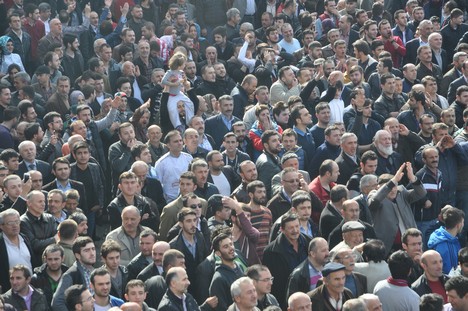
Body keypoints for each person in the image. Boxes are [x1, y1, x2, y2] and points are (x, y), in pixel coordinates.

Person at [368, 162, 426, 255]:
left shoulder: (402, 193)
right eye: (390, 187)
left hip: (409, 244)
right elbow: (374, 202)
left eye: (395, 186)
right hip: (389, 246)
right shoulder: (375, 196)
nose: (393, 189)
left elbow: (421, 193)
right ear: (380, 188)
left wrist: (413, 178)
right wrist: (392, 181)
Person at [263, 213, 310, 309]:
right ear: (282, 230)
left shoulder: (308, 243)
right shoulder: (271, 252)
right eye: (291, 228)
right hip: (285, 300)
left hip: (307, 298)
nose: (295, 230)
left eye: (297, 226)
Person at [52, 237, 96, 311]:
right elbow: (57, 303)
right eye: (86, 250)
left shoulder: (95, 272)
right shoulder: (71, 274)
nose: (92, 253)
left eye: (93, 249)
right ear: (77, 255)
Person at [0, 208, 34, 293]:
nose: (14, 225)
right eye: (10, 223)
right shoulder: (1, 243)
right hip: (9, 290)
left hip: (30, 288)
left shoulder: (24, 238)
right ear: (1, 226)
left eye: (17, 222)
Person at [209, 233, 245, 311]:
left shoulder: (240, 267)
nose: (231, 248)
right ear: (218, 253)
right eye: (226, 247)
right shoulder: (219, 279)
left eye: (231, 244)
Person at [161, 52, 195, 131]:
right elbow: (163, 82)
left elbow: (184, 81)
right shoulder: (169, 72)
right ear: (179, 65)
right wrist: (173, 84)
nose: (184, 66)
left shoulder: (181, 72)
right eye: (183, 64)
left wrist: (185, 81)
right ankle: (178, 125)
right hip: (171, 95)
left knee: (190, 104)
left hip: (179, 93)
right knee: (172, 109)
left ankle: (189, 121)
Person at [428, 206, 464, 274]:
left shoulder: (453, 239)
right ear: (458, 225)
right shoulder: (443, 244)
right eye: (462, 222)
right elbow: (447, 270)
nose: (463, 225)